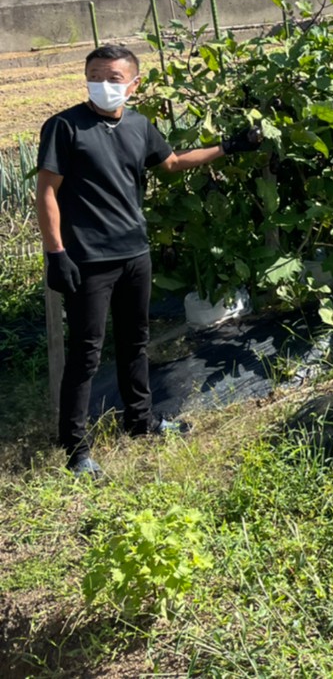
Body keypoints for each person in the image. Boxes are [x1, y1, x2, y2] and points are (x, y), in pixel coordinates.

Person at [35, 44, 261, 479]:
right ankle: (75, 447)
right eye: (95, 75)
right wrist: (56, 252)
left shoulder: (138, 125)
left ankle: (140, 421)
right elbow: (46, 192)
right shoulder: (65, 127)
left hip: (134, 254)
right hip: (87, 260)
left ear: (134, 85)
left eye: (114, 78)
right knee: (86, 353)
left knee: (135, 342)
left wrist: (230, 146)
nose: (103, 85)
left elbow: (173, 163)